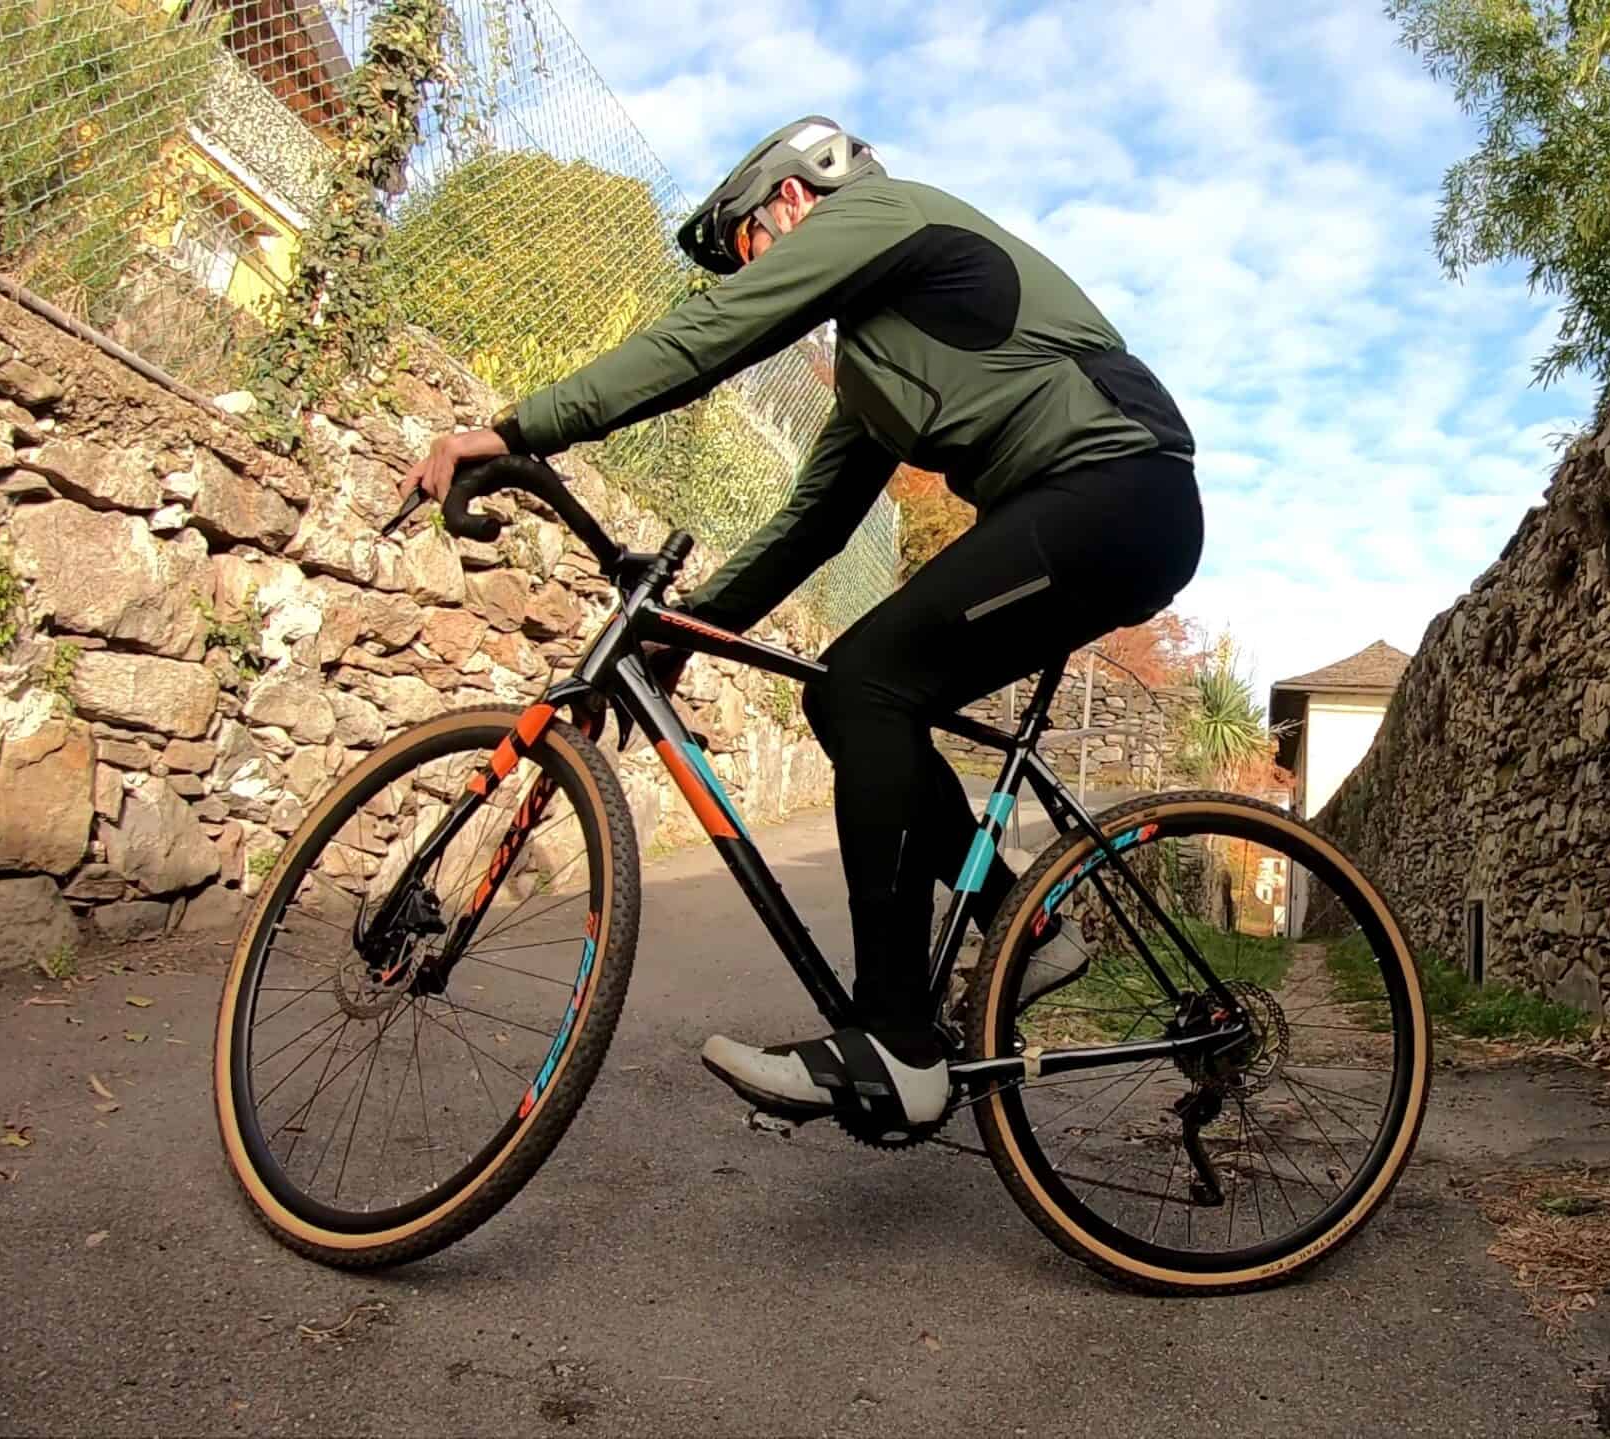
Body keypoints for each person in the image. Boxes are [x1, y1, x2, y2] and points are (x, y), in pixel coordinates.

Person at [400, 117, 1202, 1131]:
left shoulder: (884, 214)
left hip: (1118, 492)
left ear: (793, 197)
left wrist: (515, 429)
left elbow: (711, 338)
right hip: (1078, 506)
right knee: (859, 697)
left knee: (864, 679)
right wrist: (681, 629)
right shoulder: (878, 367)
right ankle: (1020, 920)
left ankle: (898, 1044)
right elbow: (810, 524)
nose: (752, 271)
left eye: (746, 245)